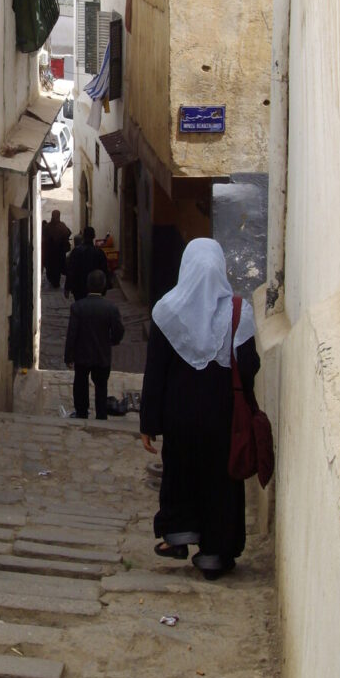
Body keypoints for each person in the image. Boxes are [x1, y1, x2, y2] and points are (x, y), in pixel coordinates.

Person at [139, 238, 260, 580]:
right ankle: (214, 555)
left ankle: (178, 536)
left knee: (181, 473)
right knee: (221, 483)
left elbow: (156, 373)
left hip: (180, 418)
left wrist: (149, 422)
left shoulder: (167, 311)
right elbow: (249, 365)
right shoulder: (239, 312)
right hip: (222, 418)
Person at [64, 269, 125, 419]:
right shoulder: (111, 308)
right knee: (101, 385)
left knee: (80, 383)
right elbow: (119, 330)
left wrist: (68, 355)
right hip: (102, 353)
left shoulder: (78, 307)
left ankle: (81, 411)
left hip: (82, 353)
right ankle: (101, 414)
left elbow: (72, 333)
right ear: (103, 286)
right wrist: (112, 341)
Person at [64, 226, 109, 300]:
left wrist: (67, 287)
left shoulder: (76, 251)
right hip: (95, 287)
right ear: (94, 236)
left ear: (83, 236)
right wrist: (104, 288)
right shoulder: (99, 252)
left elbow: (70, 270)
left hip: (79, 288)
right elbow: (104, 271)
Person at [43, 209, 71, 289]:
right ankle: (55, 281)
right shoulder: (61, 225)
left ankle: (54, 281)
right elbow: (68, 233)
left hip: (53, 252)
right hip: (56, 252)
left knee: (53, 268)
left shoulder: (48, 226)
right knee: (55, 268)